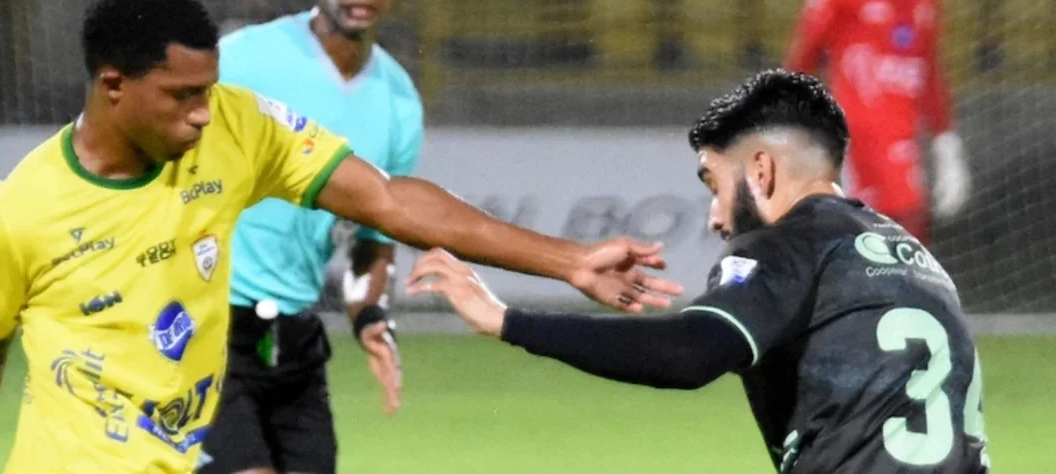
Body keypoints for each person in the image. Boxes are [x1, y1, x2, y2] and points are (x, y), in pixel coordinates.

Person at [0, 0, 683, 474]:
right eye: (182, 95)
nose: (203, 112)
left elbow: (388, 200)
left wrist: (567, 261)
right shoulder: (17, 214)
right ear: (112, 86)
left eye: (209, 90)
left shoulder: (237, 130)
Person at [411, 69, 990, 473]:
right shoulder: (915, 257)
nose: (715, 217)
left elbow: (690, 353)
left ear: (760, 170)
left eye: (714, 183)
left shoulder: (788, 243)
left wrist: (506, 320)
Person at [202, 0, 417, 474]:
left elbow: (373, 240)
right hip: (209, 326)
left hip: (295, 337)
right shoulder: (244, 59)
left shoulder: (399, 101)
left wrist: (370, 314)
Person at [783, 0, 970, 242]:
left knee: (907, 236)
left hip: (903, 132)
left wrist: (947, 142)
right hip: (854, 131)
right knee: (869, 239)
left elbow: (929, 67)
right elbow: (804, 54)